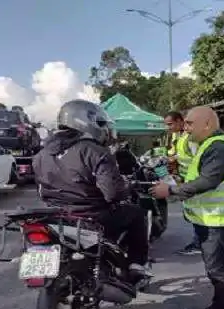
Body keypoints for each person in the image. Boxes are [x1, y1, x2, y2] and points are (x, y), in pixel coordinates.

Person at [151, 106, 224, 309]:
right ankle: (217, 307)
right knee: (214, 269)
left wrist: (171, 191)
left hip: (221, 221)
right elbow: (196, 177)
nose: (186, 127)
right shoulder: (206, 146)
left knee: (220, 272)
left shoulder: (221, 147)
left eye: (191, 123)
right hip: (210, 220)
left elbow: (208, 181)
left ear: (207, 124)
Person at [32, 99, 152, 283]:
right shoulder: (95, 151)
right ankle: (136, 264)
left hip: (56, 216)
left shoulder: (41, 154)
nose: (103, 129)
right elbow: (113, 193)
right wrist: (127, 188)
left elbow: (41, 190)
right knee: (137, 214)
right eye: (100, 124)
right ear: (86, 121)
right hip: (92, 216)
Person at [164, 111, 202, 255]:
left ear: (180, 121)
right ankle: (200, 241)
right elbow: (175, 153)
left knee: (196, 213)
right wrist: (171, 159)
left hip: (194, 180)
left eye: (170, 124)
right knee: (191, 212)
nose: (168, 127)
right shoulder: (176, 136)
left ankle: (199, 243)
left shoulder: (190, 137)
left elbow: (199, 157)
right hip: (185, 178)